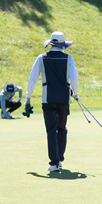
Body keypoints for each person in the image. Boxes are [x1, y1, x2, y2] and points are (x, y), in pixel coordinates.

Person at [25, 31, 80, 173]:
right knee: (61, 128)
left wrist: (28, 97)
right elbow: (73, 79)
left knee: (51, 130)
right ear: (62, 45)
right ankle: (60, 158)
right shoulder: (69, 58)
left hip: (48, 99)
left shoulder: (41, 58)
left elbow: (33, 78)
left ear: (51, 44)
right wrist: (76, 93)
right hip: (63, 99)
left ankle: (54, 162)